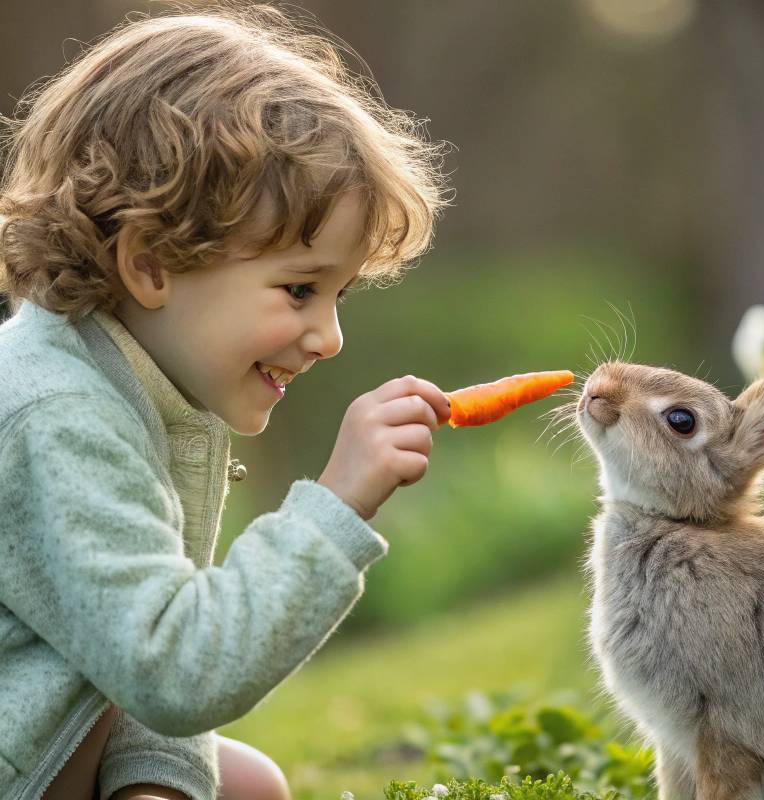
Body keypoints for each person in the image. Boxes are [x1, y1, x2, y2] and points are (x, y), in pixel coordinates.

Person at [0, 5, 451, 799]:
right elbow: (174, 667)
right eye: (301, 288)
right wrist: (336, 504)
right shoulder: (56, 415)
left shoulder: (141, 379)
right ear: (151, 266)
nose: (330, 336)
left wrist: (158, 783)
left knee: (246, 786)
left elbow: (131, 644)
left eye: (339, 294)